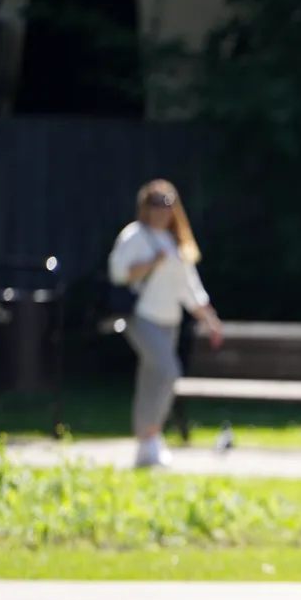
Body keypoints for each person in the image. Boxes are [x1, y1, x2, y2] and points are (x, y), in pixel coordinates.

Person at [107, 179, 224, 468]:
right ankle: (151, 437)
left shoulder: (176, 241)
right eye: (155, 204)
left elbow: (190, 287)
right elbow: (118, 273)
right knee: (168, 370)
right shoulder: (135, 236)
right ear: (144, 207)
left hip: (169, 320)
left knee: (153, 379)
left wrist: (209, 317)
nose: (161, 211)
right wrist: (151, 263)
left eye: (167, 204)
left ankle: (146, 443)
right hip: (141, 317)